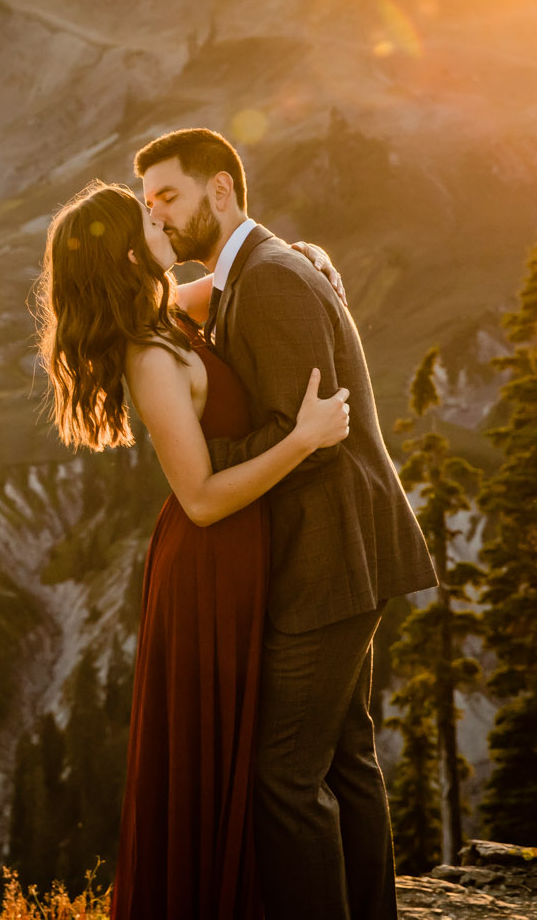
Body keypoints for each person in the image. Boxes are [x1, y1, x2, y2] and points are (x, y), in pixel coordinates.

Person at [135, 127, 437, 920]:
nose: (157, 214)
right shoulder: (250, 274)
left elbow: (310, 433)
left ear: (222, 190)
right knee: (344, 761)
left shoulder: (267, 281)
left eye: (168, 195)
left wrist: (200, 452)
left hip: (327, 556)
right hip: (339, 552)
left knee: (282, 776)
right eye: (147, 202)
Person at [34, 179, 351, 920]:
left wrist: (305, 256)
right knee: (220, 768)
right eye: (146, 215)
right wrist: (302, 439)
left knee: (245, 758)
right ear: (125, 249)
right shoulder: (149, 357)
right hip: (210, 563)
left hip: (238, 554)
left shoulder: (168, 312)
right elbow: (202, 496)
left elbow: (243, 277)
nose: (161, 219)